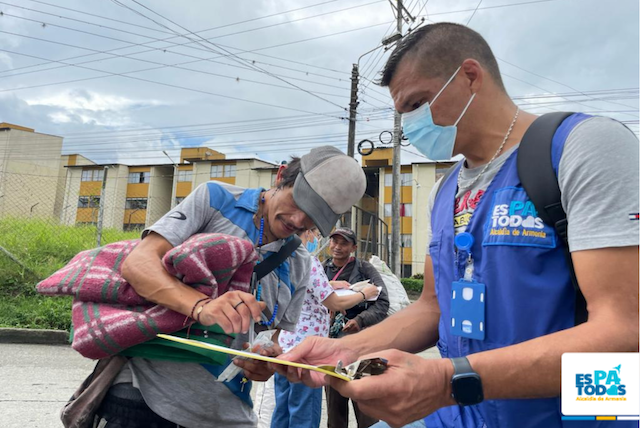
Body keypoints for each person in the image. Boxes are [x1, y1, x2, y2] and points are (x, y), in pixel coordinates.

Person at [276, 22, 639, 428]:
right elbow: (434, 307)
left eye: (418, 103)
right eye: (402, 112)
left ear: (469, 76)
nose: (410, 125)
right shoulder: (444, 191)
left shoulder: (582, 149)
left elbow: (625, 329)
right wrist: (341, 350)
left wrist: (448, 381)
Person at [94, 146, 367, 428]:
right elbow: (138, 263)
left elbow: (271, 340)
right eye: (297, 200)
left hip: (227, 412)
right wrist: (201, 306)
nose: (298, 221)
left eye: (313, 217)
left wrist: (265, 364)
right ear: (281, 175)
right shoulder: (215, 199)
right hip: (144, 398)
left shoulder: (299, 262)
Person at [268, 228, 380, 428]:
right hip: (308, 351)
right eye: (319, 236)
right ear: (308, 232)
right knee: (304, 412)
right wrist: (365, 293)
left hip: (285, 346)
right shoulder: (309, 261)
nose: (318, 240)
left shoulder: (283, 257)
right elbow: (334, 304)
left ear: (353, 248)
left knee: (283, 409)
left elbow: (304, 289)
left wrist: (330, 284)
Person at [322, 227, 389, 428]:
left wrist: (360, 320)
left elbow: (383, 302)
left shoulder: (365, 268)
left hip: (362, 343)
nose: (337, 247)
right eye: (334, 242)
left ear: (353, 247)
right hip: (331, 345)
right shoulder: (321, 269)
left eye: (343, 243)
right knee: (335, 403)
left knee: (365, 401)